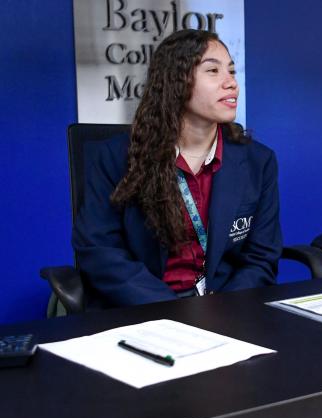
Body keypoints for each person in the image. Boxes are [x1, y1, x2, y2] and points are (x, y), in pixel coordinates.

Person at [74, 29, 282, 308]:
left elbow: (261, 258)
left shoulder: (259, 162)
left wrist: (224, 310)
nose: (231, 83)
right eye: (213, 71)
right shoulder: (115, 157)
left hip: (228, 309)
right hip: (143, 309)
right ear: (176, 81)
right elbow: (100, 252)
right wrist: (172, 312)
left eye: (231, 71)